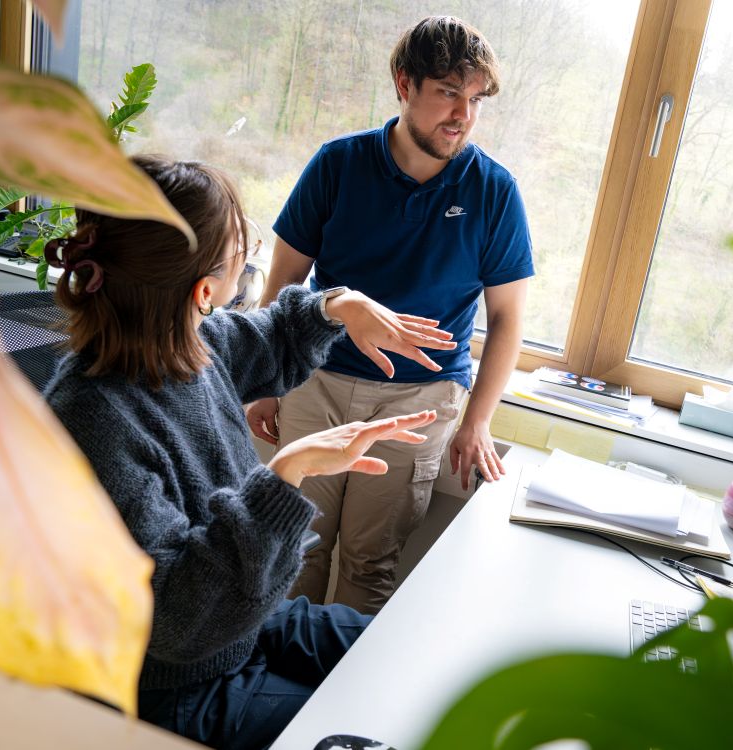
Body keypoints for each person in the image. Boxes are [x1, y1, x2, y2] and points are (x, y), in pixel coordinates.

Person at [43, 154, 454, 750]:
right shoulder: (91, 424)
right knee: (370, 724)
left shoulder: (186, 343)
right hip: (166, 683)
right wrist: (285, 475)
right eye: (244, 248)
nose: (252, 256)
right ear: (205, 290)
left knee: (409, 656)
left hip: (242, 630)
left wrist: (336, 305)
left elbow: (273, 336)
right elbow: (175, 619)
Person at [245, 15, 535, 614]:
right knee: (295, 549)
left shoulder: (494, 192)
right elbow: (284, 280)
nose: (463, 116)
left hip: (419, 400)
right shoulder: (337, 164)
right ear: (405, 84)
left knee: (369, 564)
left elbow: (506, 319)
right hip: (316, 381)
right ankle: (271, 702)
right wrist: (266, 381)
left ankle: (336, 701)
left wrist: (476, 419)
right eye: (448, 93)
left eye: (475, 99)